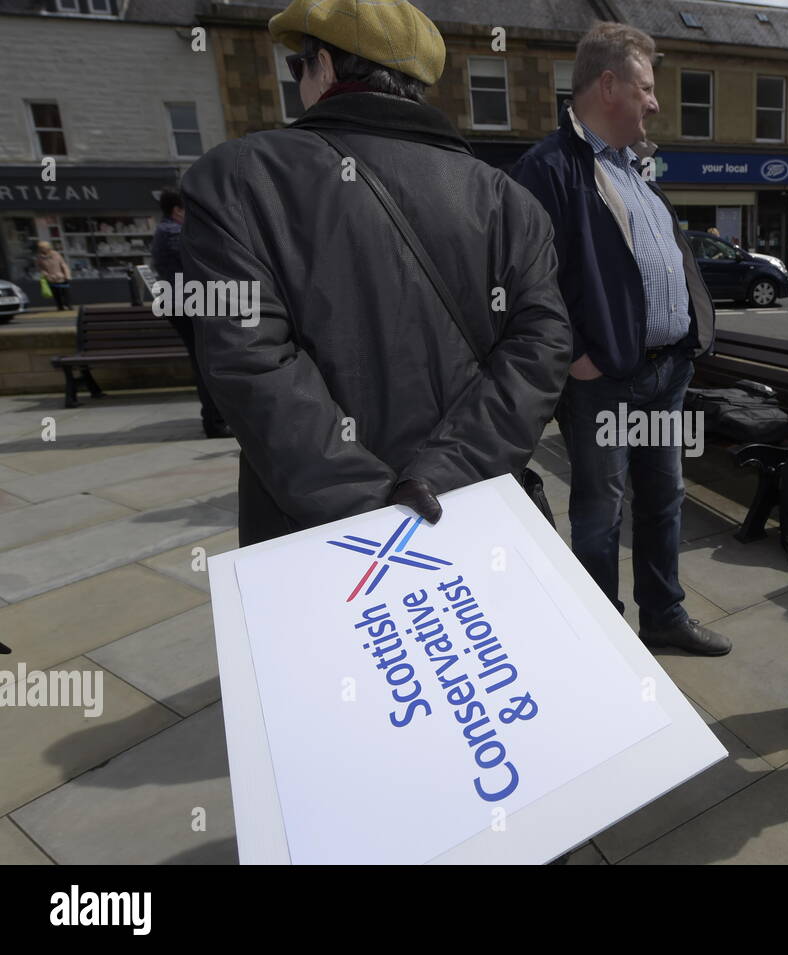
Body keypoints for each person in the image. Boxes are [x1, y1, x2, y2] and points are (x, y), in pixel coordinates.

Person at [181, 0, 570, 546]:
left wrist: (369, 511)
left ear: (327, 68)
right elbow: (542, 346)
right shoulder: (508, 198)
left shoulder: (237, 175)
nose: (298, 82)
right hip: (467, 511)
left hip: (315, 533)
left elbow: (247, 360)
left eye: (299, 66)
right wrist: (436, 481)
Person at [511, 22, 725, 656]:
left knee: (663, 500)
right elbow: (524, 281)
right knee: (600, 512)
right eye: (646, 87)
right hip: (605, 380)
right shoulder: (546, 169)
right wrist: (576, 356)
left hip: (666, 375)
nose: (655, 103)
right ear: (608, 84)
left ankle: (663, 618)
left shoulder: (636, 168)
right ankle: (602, 641)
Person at [151, 188, 232, 439]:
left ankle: (216, 418)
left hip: (183, 304)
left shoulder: (166, 231)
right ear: (178, 210)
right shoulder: (174, 233)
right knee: (206, 362)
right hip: (189, 305)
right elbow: (201, 263)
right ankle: (215, 422)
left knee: (204, 361)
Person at [34, 241, 71, 311]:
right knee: (56, 293)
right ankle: (60, 306)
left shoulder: (56, 254)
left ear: (48, 248)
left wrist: (67, 275)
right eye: (41, 248)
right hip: (50, 278)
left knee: (65, 292)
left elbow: (63, 265)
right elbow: (39, 268)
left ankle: (68, 305)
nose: (42, 249)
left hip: (61, 277)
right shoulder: (39, 257)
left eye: (44, 247)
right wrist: (45, 274)